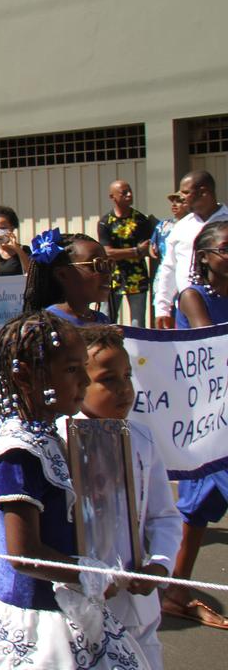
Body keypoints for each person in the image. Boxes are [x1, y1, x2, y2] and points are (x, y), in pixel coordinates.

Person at [0, 311, 148, 669]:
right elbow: (23, 555)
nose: (84, 380)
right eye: (71, 370)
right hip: (29, 618)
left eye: (83, 367)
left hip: (58, 606)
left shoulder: (46, 435)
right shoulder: (19, 452)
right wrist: (89, 574)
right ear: (24, 375)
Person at [70, 326, 181, 668]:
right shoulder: (61, 442)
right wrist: (88, 581)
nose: (124, 389)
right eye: (108, 379)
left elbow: (164, 515)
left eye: (128, 376)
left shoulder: (142, 439)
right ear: (77, 383)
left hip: (137, 605)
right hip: (79, 605)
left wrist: (159, 565)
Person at [164, 219, 228, 629]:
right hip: (209, 420)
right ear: (204, 257)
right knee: (196, 506)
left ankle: (175, 591)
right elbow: (210, 342)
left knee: (197, 511)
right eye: (226, 248)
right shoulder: (192, 295)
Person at [155, 170, 228, 329]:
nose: (181, 197)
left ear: (203, 192)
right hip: (188, 307)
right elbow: (169, 267)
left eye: (186, 192)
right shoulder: (181, 227)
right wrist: (162, 307)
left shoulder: (226, 221)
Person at [96, 180, 157, 327]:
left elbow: (145, 250)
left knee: (138, 324)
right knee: (107, 322)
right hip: (112, 278)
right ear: (113, 197)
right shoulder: (105, 222)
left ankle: (138, 351)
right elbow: (107, 252)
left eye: (130, 191)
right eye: (124, 193)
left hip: (137, 278)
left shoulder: (140, 220)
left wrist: (133, 252)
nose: (129, 195)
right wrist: (134, 251)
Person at [23, 229, 112, 325]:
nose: (107, 273)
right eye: (97, 264)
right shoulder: (46, 325)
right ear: (62, 274)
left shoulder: (102, 320)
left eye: (109, 264)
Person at [150, 191, 188, 265]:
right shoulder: (163, 225)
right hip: (165, 268)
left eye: (179, 202)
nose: (174, 205)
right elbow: (152, 247)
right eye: (173, 202)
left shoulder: (194, 224)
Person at [0, 205, 30, 276]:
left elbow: (31, 273)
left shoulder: (24, 250)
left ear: (12, 228)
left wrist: (17, 249)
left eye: (3, 228)